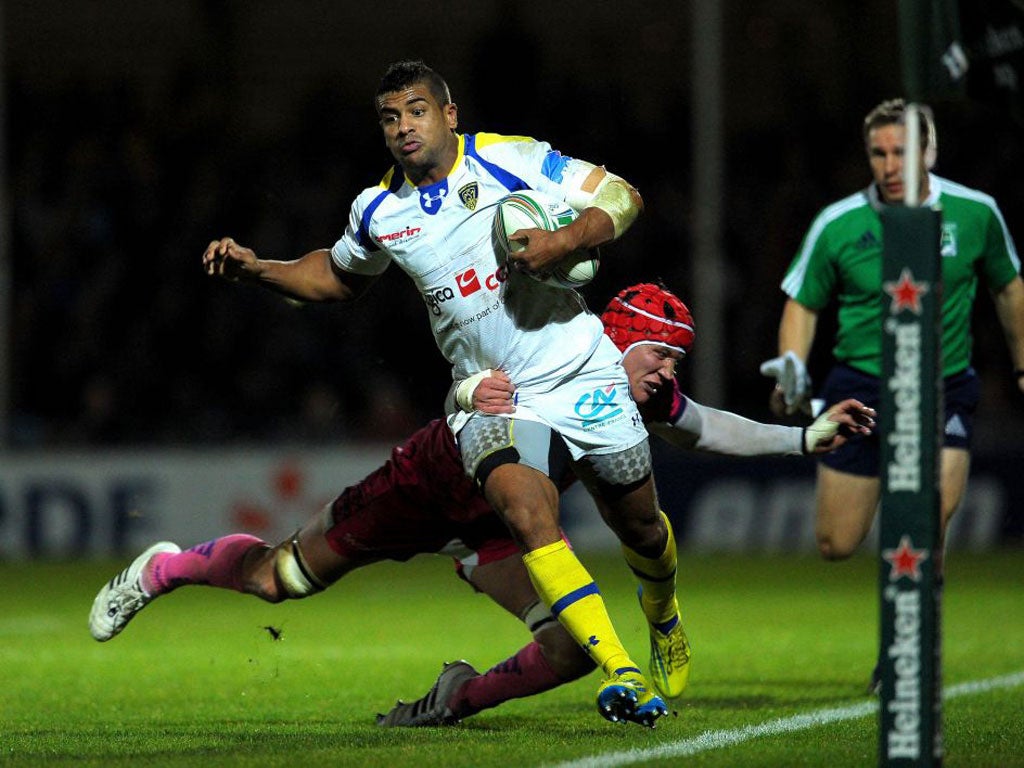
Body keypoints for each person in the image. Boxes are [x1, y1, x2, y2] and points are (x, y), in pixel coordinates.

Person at [89, 281, 875, 729]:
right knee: (280, 580)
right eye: (662, 354)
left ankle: (451, 701)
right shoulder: (555, 356)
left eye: (678, 358)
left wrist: (805, 439)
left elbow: (705, 428)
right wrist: (465, 388)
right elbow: (467, 380)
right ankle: (166, 567)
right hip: (426, 488)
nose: (671, 372)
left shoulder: (634, 394)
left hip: (494, 530)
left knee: (569, 651)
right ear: (621, 338)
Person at [187, 59, 668, 727]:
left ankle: (663, 615)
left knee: (641, 526)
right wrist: (258, 269)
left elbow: (621, 196)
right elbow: (335, 275)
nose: (403, 126)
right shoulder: (379, 210)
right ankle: (624, 672)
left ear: (449, 115)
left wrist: (564, 240)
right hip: (494, 398)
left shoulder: (511, 159)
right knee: (528, 512)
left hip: (582, 370)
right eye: (390, 117)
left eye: (416, 110)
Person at [760, 98, 1024, 689]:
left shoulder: (974, 213)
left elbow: (1010, 287)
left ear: (929, 150)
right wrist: (794, 367)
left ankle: (907, 653)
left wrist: (1022, 365)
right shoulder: (839, 223)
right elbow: (803, 301)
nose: (889, 164)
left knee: (925, 520)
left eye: (901, 151)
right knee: (836, 542)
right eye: (878, 153)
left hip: (942, 383)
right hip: (858, 388)